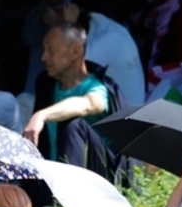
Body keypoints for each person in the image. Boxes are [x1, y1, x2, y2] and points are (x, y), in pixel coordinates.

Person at [22, 0, 146, 106]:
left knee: (26, 103)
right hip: (103, 109)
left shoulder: (108, 37)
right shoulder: (100, 29)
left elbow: (70, 74)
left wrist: (66, 25)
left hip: (122, 119)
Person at [24, 23, 118, 184]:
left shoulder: (96, 86)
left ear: (76, 51)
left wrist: (42, 115)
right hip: (52, 180)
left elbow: (90, 104)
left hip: (96, 181)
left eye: (51, 50)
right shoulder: (46, 84)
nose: (44, 57)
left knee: (72, 124)